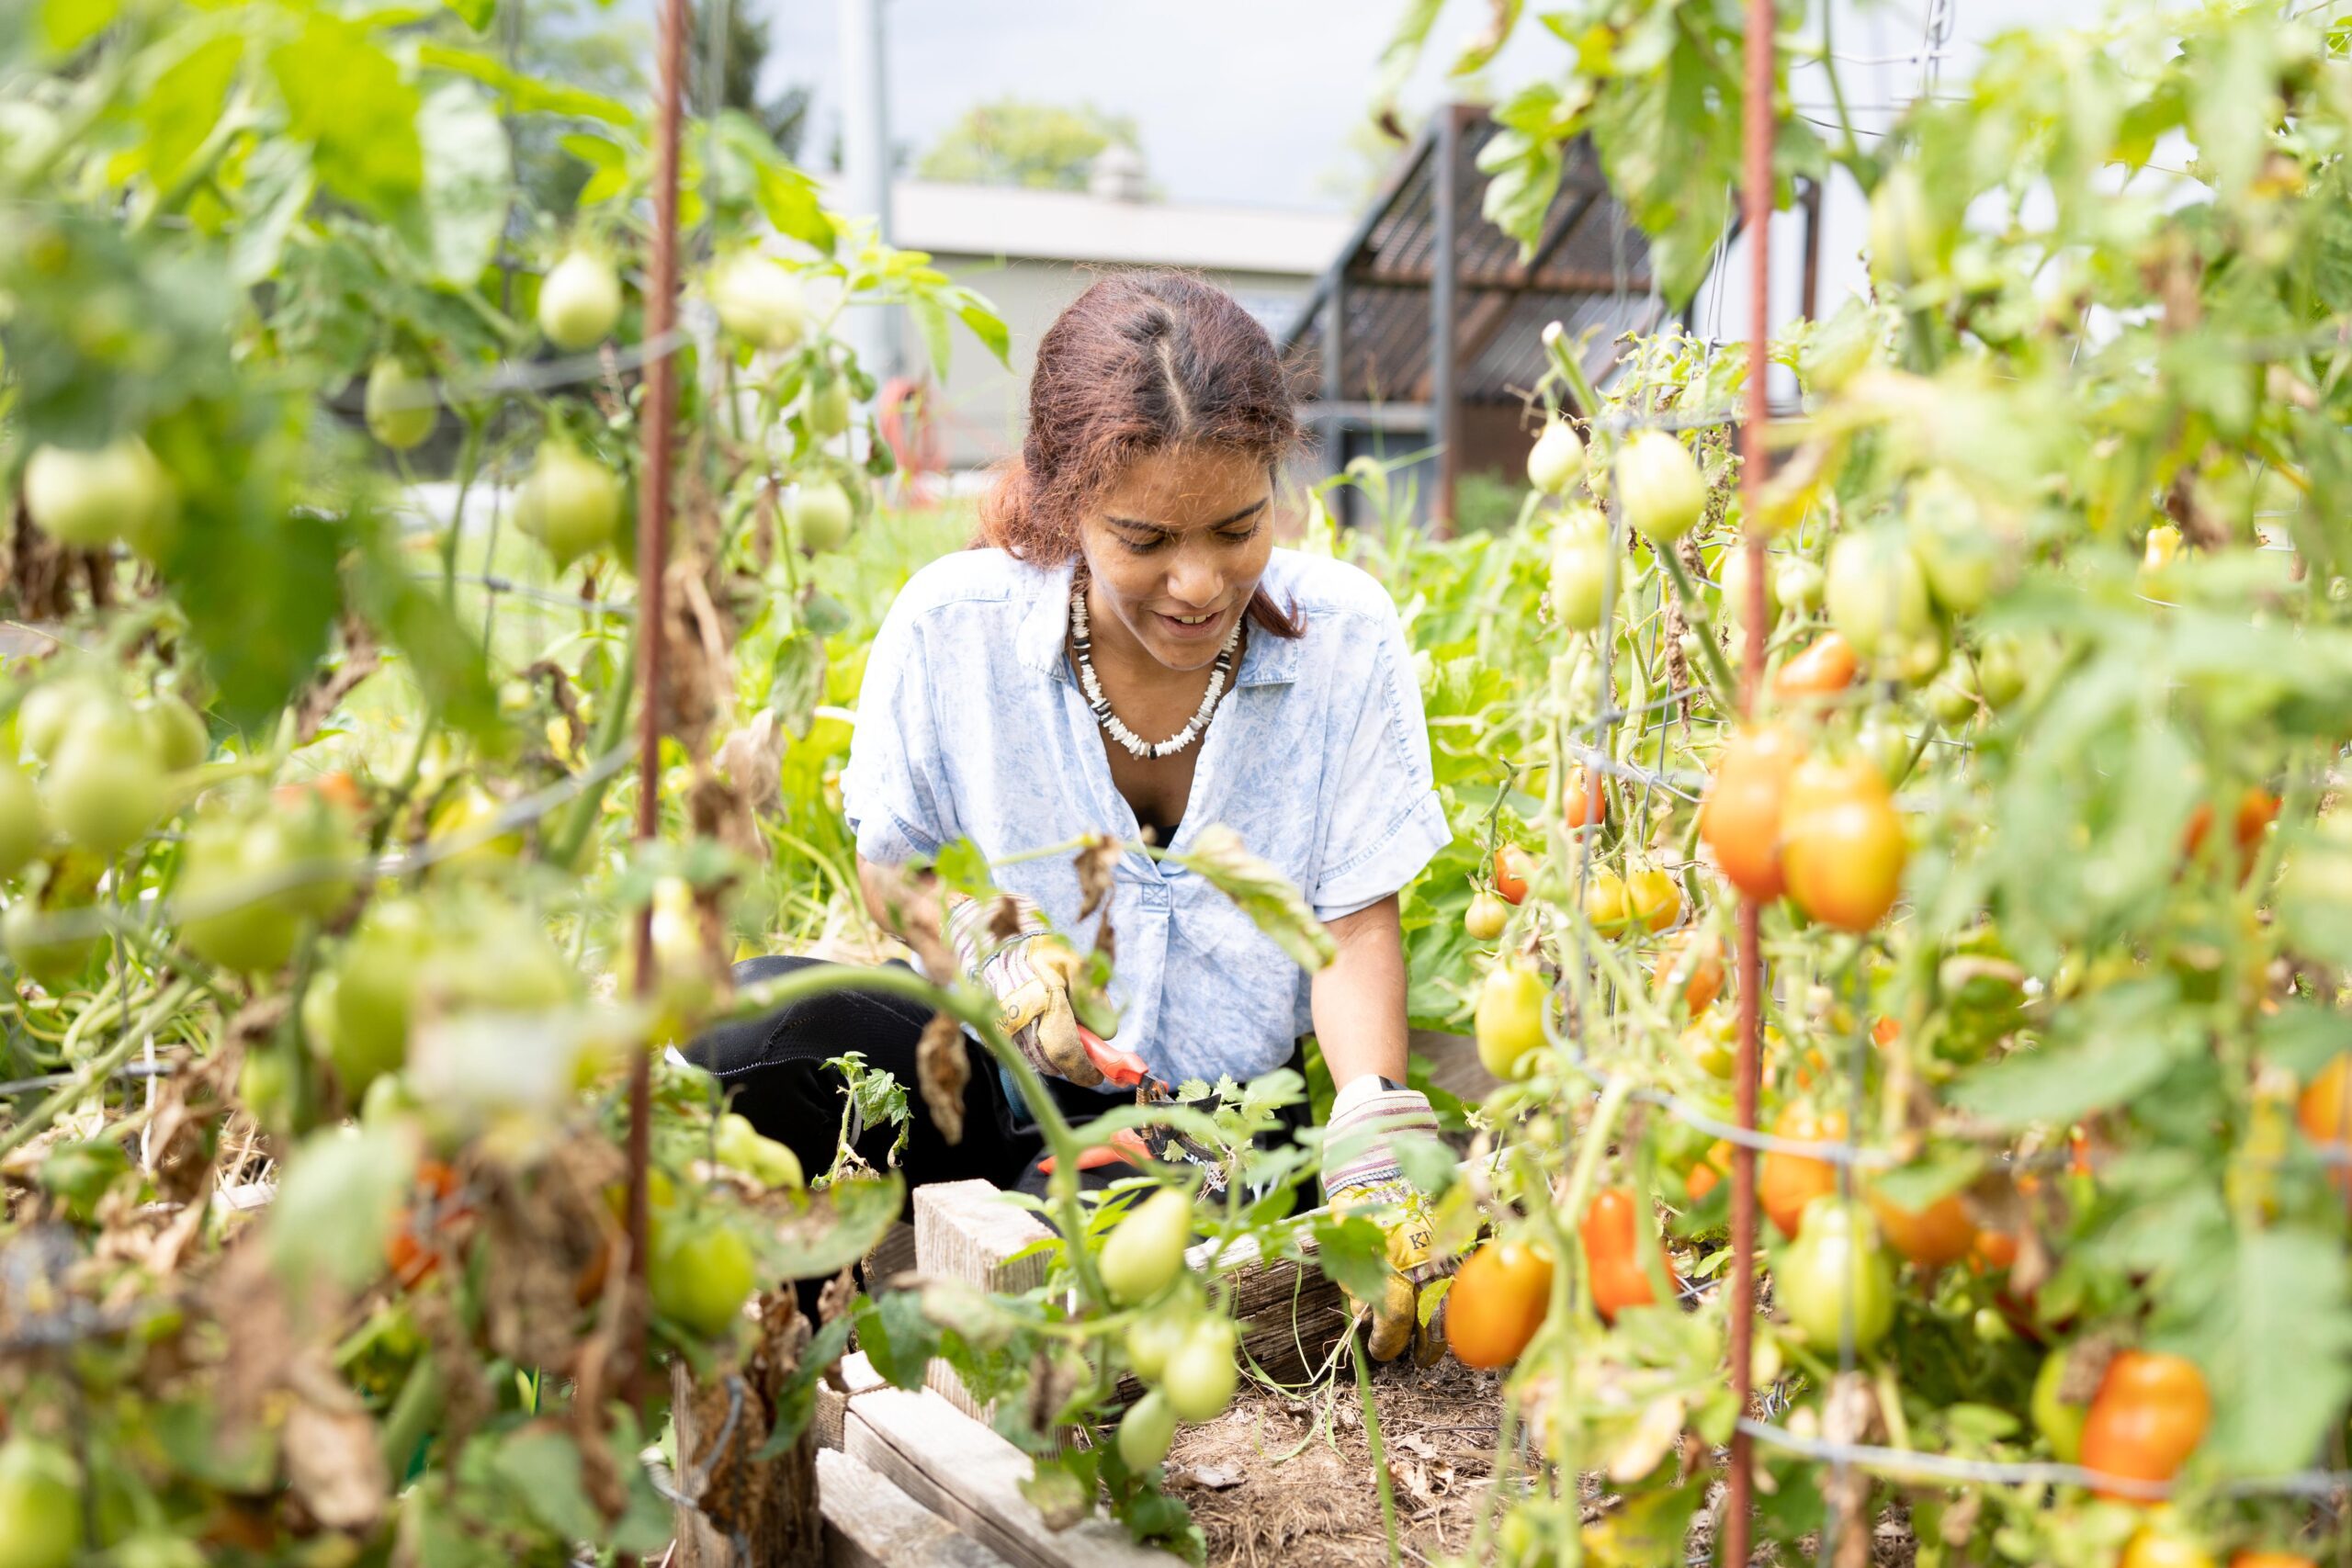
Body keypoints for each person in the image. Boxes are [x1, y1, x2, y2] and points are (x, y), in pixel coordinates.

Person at [686, 271, 1454, 1359]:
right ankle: (771, 1331)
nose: (1198, 583)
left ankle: (1023, 1278)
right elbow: (893, 864)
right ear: (1063, 504)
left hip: (1214, 1133)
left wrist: (1374, 1124)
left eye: (1239, 528)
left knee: (1114, 1258)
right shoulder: (954, 625)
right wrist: (991, 949)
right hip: (998, 1072)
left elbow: (1350, 923)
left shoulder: (1344, 639)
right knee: (746, 1031)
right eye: (1144, 541)